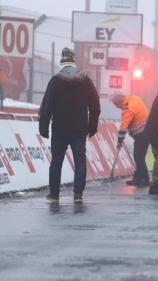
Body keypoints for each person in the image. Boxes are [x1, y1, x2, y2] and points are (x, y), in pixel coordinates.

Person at [39, 47, 100, 204]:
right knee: (80, 161)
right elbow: (95, 106)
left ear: (62, 60)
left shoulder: (55, 81)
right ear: (74, 60)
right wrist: (92, 126)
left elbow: (47, 106)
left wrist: (43, 127)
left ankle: (54, 194)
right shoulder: (85, 81)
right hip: (79, 129)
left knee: (56, 161)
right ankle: (78, 194)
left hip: (59, 128)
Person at [112, 94, 150, 187]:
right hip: (147, 130)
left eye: (117, 106)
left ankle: (144, 179)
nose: (118, 108)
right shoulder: (134, 98)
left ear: (120, 102)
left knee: (138, 156)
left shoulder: (127, 107)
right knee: (138, 155)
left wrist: (119, 141)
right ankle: (138, 177)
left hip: (143, 132)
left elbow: (124, 126)